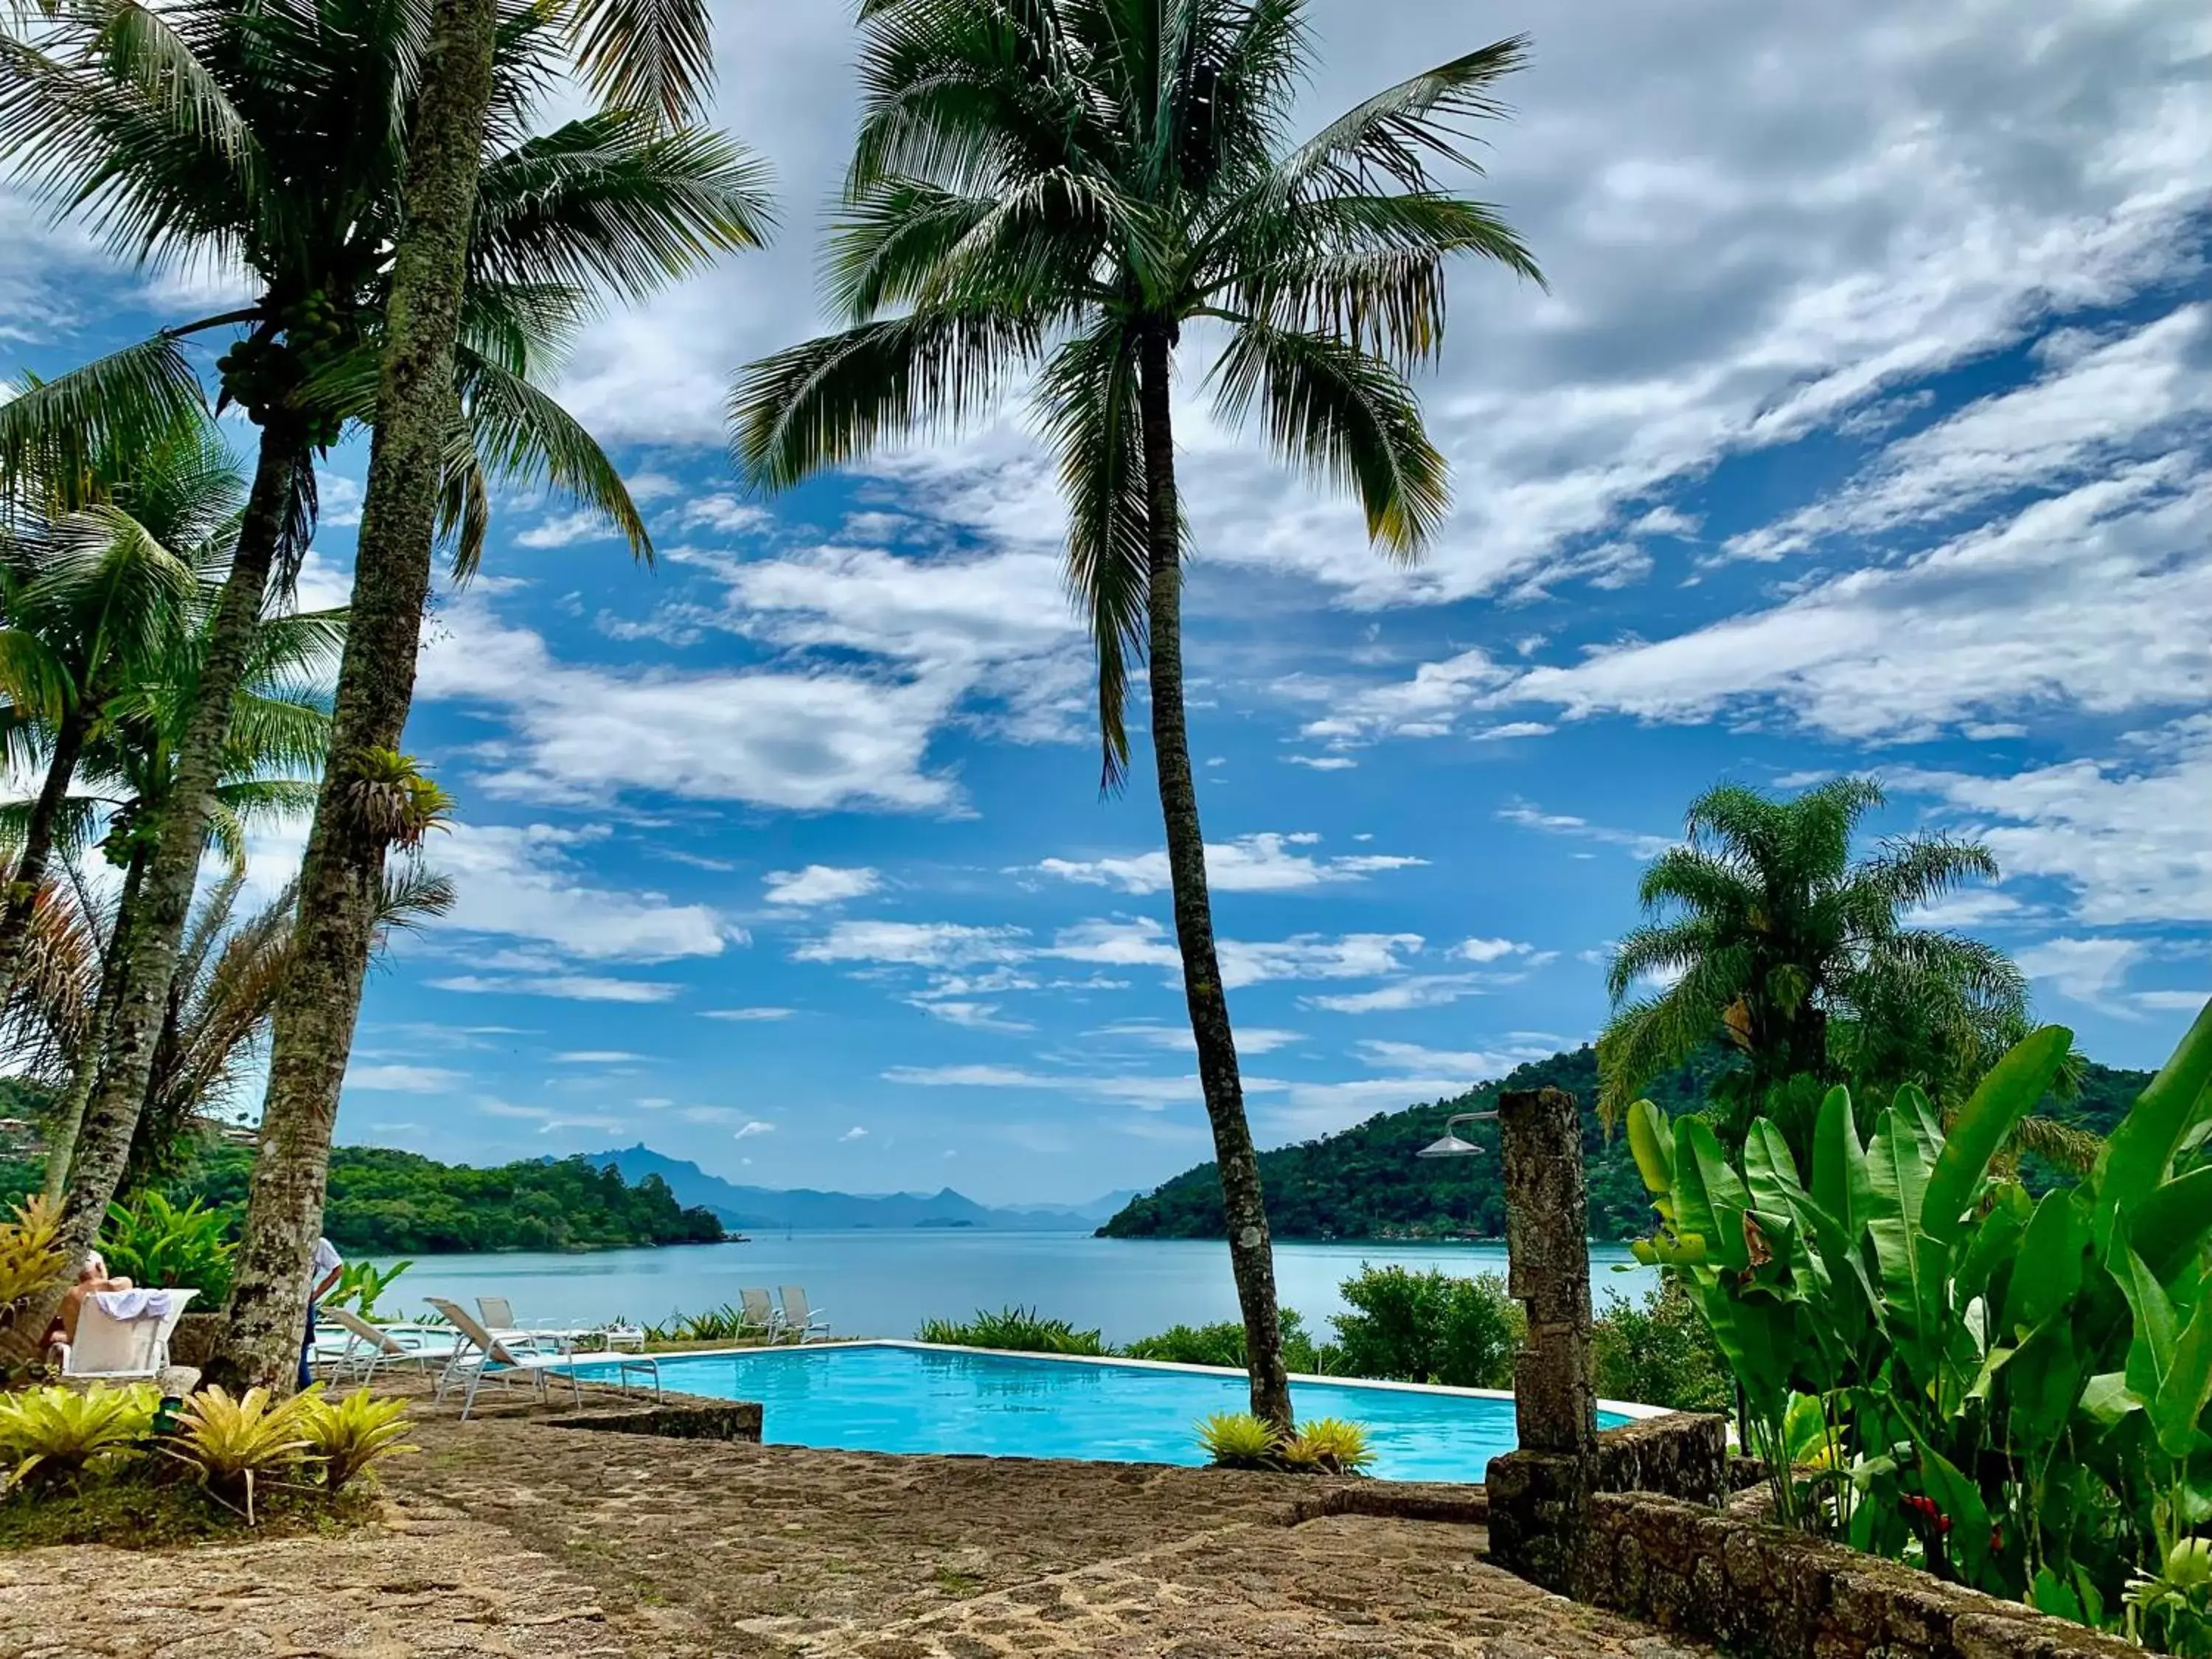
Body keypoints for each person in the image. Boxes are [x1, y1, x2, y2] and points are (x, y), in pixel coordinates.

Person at [42, 1251, 134, 1366]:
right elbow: (115, 1284)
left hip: (84, 1364)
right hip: (123, 1361)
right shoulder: (122, 1285)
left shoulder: (67, 1297)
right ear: (99, 1267)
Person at [301, 1237, 344, 1391]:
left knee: (301, 1353)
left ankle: (307, 1395)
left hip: (304, 1305)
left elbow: (338, 1270)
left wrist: (316, 1294)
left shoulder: (318, 1243)